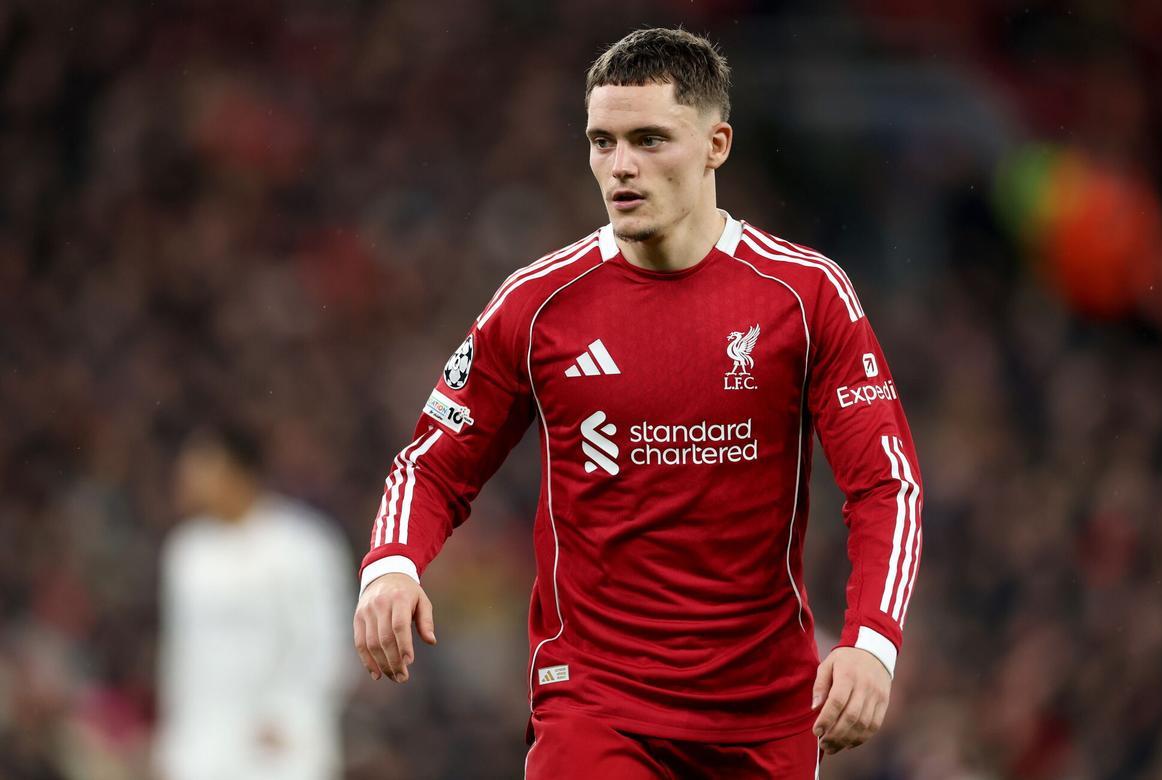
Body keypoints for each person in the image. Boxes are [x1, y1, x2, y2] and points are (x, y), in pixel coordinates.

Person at [354, 27, 923, 778]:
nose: (620, 166)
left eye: (650, 139)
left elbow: (887, 485)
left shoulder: (805, 295)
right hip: (597, 703)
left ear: (716, 143)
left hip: (763, 711)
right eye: (602, 141)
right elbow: (433, 465)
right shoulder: (538, 304)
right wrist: (391, 566)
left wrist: (871, 644)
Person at [155, 422, 355, 780]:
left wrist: (292, 714)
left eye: (203, 467)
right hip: (203, 743)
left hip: (281, 743)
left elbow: (327, 642)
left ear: (239, 471)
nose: (189, 478)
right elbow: (181, 653)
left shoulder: (303, 545)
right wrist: (171, 741)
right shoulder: (186, 553)